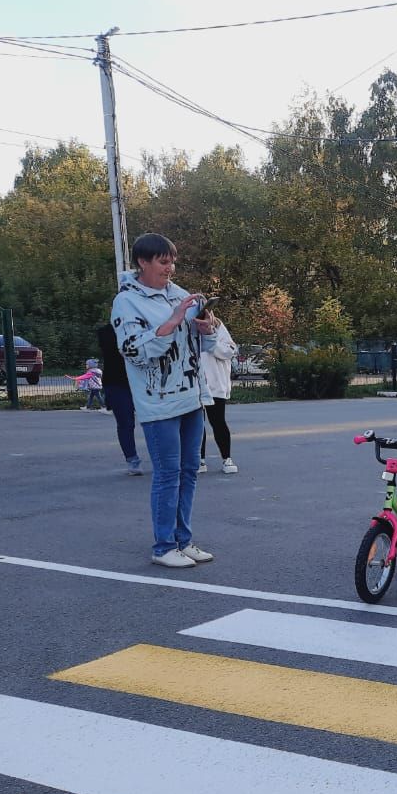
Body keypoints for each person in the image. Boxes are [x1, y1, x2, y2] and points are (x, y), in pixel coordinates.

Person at [111, 232, 217, 569]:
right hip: (158, 403)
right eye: (162, 261)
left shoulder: (181, 295)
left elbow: (206, 348)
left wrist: (206, 328)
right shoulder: (126, 302)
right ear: (143, 262)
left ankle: (183, 541)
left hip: (191, 397)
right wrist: (172, 322)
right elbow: (135, 352)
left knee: (189, 472)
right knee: (167, 474)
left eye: (172, 260)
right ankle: (163, 546)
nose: (169, 267)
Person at [97, 321, 142, 474]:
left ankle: (161, 458)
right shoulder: (106, 332)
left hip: (141, 382)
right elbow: (114, 348)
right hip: (117, 383)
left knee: (154, 421)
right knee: (125, 423)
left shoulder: (142, 326)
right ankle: (132, 460)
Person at [198, 316, 240, 475]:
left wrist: (210, 340)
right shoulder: (189, 328)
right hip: (195, 385)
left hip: (215, 386)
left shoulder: (219, 327)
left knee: (218, 422)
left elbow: (229, 351)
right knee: (196, 425)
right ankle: (199, 459)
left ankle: (226, 458)